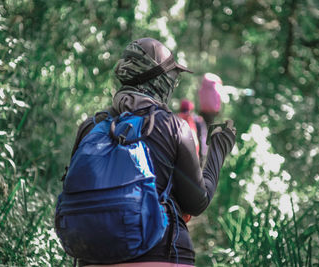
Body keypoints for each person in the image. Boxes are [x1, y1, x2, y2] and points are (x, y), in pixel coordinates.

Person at [69, 38, 236, 266]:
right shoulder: (174, 127)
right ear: (160, 81)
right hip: (159, 252)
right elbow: (197, 203)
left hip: (91, 255)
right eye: (172, 79)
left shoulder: (91, 126)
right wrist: (218, 149)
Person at [177, 99, 208, 167]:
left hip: (177, 157)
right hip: (193, 157)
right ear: (191, 109)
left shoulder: (175, 118)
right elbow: (202, 139)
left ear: (181, 108)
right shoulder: (198, 120)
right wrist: (202, 158)